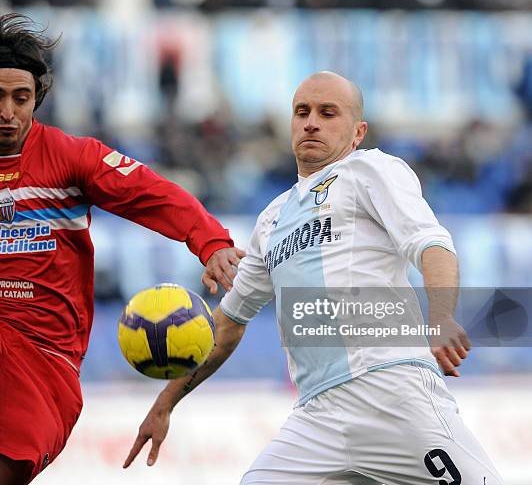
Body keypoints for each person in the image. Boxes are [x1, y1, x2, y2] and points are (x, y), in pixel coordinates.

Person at [124, 71, 505, 484]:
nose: (311, 122)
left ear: (358, 132)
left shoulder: (371, 171)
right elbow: (229, 322)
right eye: (302, 112)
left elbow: (432, 245)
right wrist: (165, 403)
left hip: (391, 392)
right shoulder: (272, 218)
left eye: (328, 113)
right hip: (317, 416)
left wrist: (443, 316)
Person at [0, 10, 244, 485]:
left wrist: (211, 242)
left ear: (38, 99)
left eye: (21, 98)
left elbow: (153, 194)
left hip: (44, 364)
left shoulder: (74, 158)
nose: (8, 112)